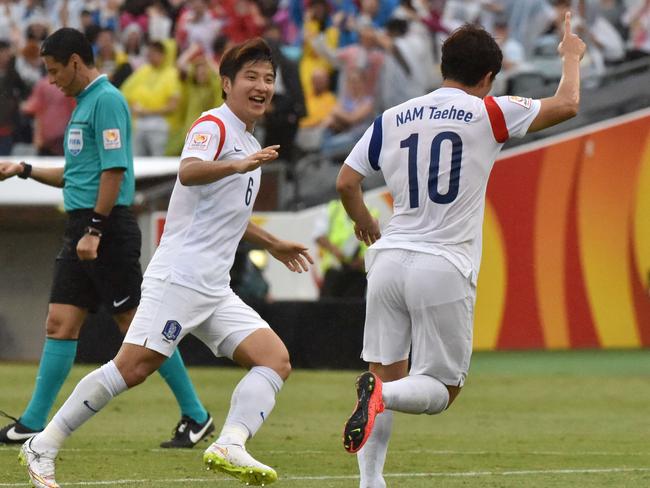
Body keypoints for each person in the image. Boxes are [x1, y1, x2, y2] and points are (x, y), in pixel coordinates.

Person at [18, 37, 314, 488]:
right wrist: (237, 166)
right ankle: (44, 443)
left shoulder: (248, 140)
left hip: (213, 285)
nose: (262, 86)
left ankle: (230, 442)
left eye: (268, 79)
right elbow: (189, 170)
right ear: (226, 84)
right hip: (179, 275)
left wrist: (272, 241)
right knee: (132, 368)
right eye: (251, 77)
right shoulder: (214, 125)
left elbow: (228, 214)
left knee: (274, 360)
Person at [336, 14, 585, 487]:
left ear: (441, 67)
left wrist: (364, 221)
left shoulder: (393, 117)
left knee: (384, 370)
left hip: (388, 259)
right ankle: (380, 398)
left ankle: (370, 481)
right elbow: (569, 103)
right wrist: (571, 56)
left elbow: (347, 181)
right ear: (488, 78)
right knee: (441, 389)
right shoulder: (489, 111)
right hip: (442, 263)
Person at [0, 28, 214, 451]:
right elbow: (74, 174)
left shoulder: (108, 101)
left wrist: (96, 229)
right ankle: (32, 422)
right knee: (59, 323)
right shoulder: (82, 107)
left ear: (77, 62)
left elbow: (114, 171)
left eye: (55, 70)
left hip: (107, 228)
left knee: (137, 328)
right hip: (80, 226)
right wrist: (23, 168)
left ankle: (196, 415)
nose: (52, 80)